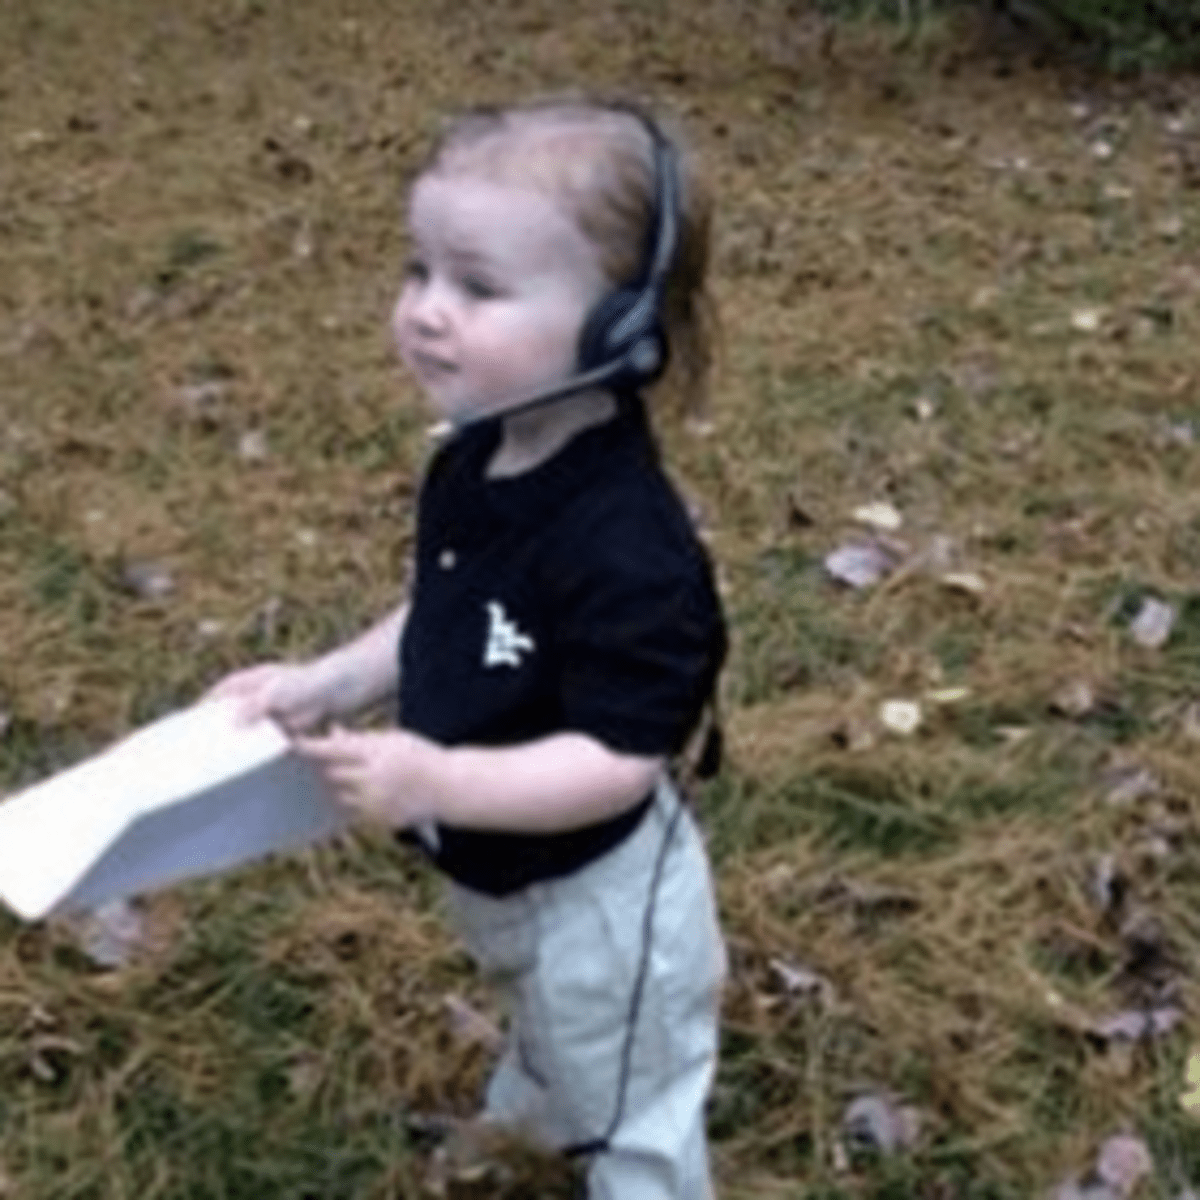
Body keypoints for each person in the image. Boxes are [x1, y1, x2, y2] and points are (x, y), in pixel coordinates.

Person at [208, 95, 727, 1199]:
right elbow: (445, 611)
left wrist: (437, 775)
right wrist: (329, 680)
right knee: (547, 1015)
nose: (426, 312)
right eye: (419, 271)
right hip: (499, 872)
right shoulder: (475, 459)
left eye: (479, 287)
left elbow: (618, 760)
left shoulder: (630, 549)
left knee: (636, 1108)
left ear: (618, 330)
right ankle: (542, 1102)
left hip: (598, 901)